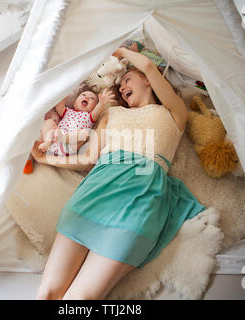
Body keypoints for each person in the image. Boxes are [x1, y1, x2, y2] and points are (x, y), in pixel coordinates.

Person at [30, 47, 206, 300]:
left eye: (127, 80)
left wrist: (121, 50)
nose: (122, 88)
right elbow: (90, 159)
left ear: (148, 79)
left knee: (80, 300)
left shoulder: (174, 113)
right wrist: (44, 158)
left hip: (139, 201)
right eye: (121, 84)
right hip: (95, 193)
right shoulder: (111, 114)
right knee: (47, 293)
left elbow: (146, 65)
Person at [38, 88, 115, 156]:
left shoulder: (90, 116)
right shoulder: (67, 111)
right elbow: (59, 106)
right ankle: (47, 142)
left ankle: (62, 137)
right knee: (49, 122)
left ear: (93, 108)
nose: (87, 97)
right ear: (74, 103)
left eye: (92, 98)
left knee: (85, 133)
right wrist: (65, 92)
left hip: (70, 145)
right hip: (53, 140)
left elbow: (98, 110)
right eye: (83, 95)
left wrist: (101, 103)